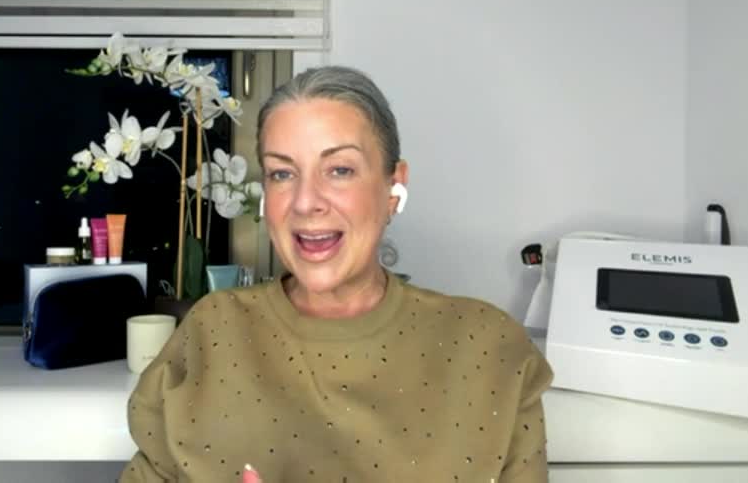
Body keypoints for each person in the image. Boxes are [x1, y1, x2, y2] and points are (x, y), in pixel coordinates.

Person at [120, 66, 553, 482]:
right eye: (282, 173)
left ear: (393, 188)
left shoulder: (489, 349)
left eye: (340, 170)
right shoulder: (211, 332)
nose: (305, 201)